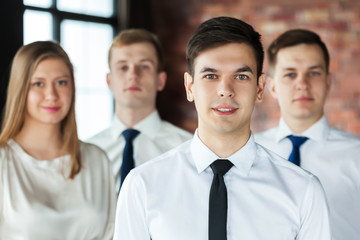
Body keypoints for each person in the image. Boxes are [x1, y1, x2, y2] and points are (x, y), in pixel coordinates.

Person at [113, 17, 331, 240]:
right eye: (210, 76)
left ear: (260, 87)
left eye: (241, 76)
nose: (225, 90)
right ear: (190, 87)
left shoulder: (303, 191)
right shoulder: (142, 185)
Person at [0, 41, 116, 239]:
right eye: (39, 84)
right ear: (21, 89)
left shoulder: (96, 160)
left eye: (61, 82)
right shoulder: (4, 161)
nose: (51, 95)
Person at [254, 29, 360, 240]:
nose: (302, 83)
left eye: (313, 73)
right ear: (272, 87)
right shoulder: (249, 153)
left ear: (328, 82)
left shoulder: (357, 155)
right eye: (290, 74)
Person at [87, 29, 192, 191]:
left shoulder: (187, 150)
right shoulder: (86, 153)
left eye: (144, 66)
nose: (133, 75)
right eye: (123, 67)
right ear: (109, 81)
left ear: (160, 80)